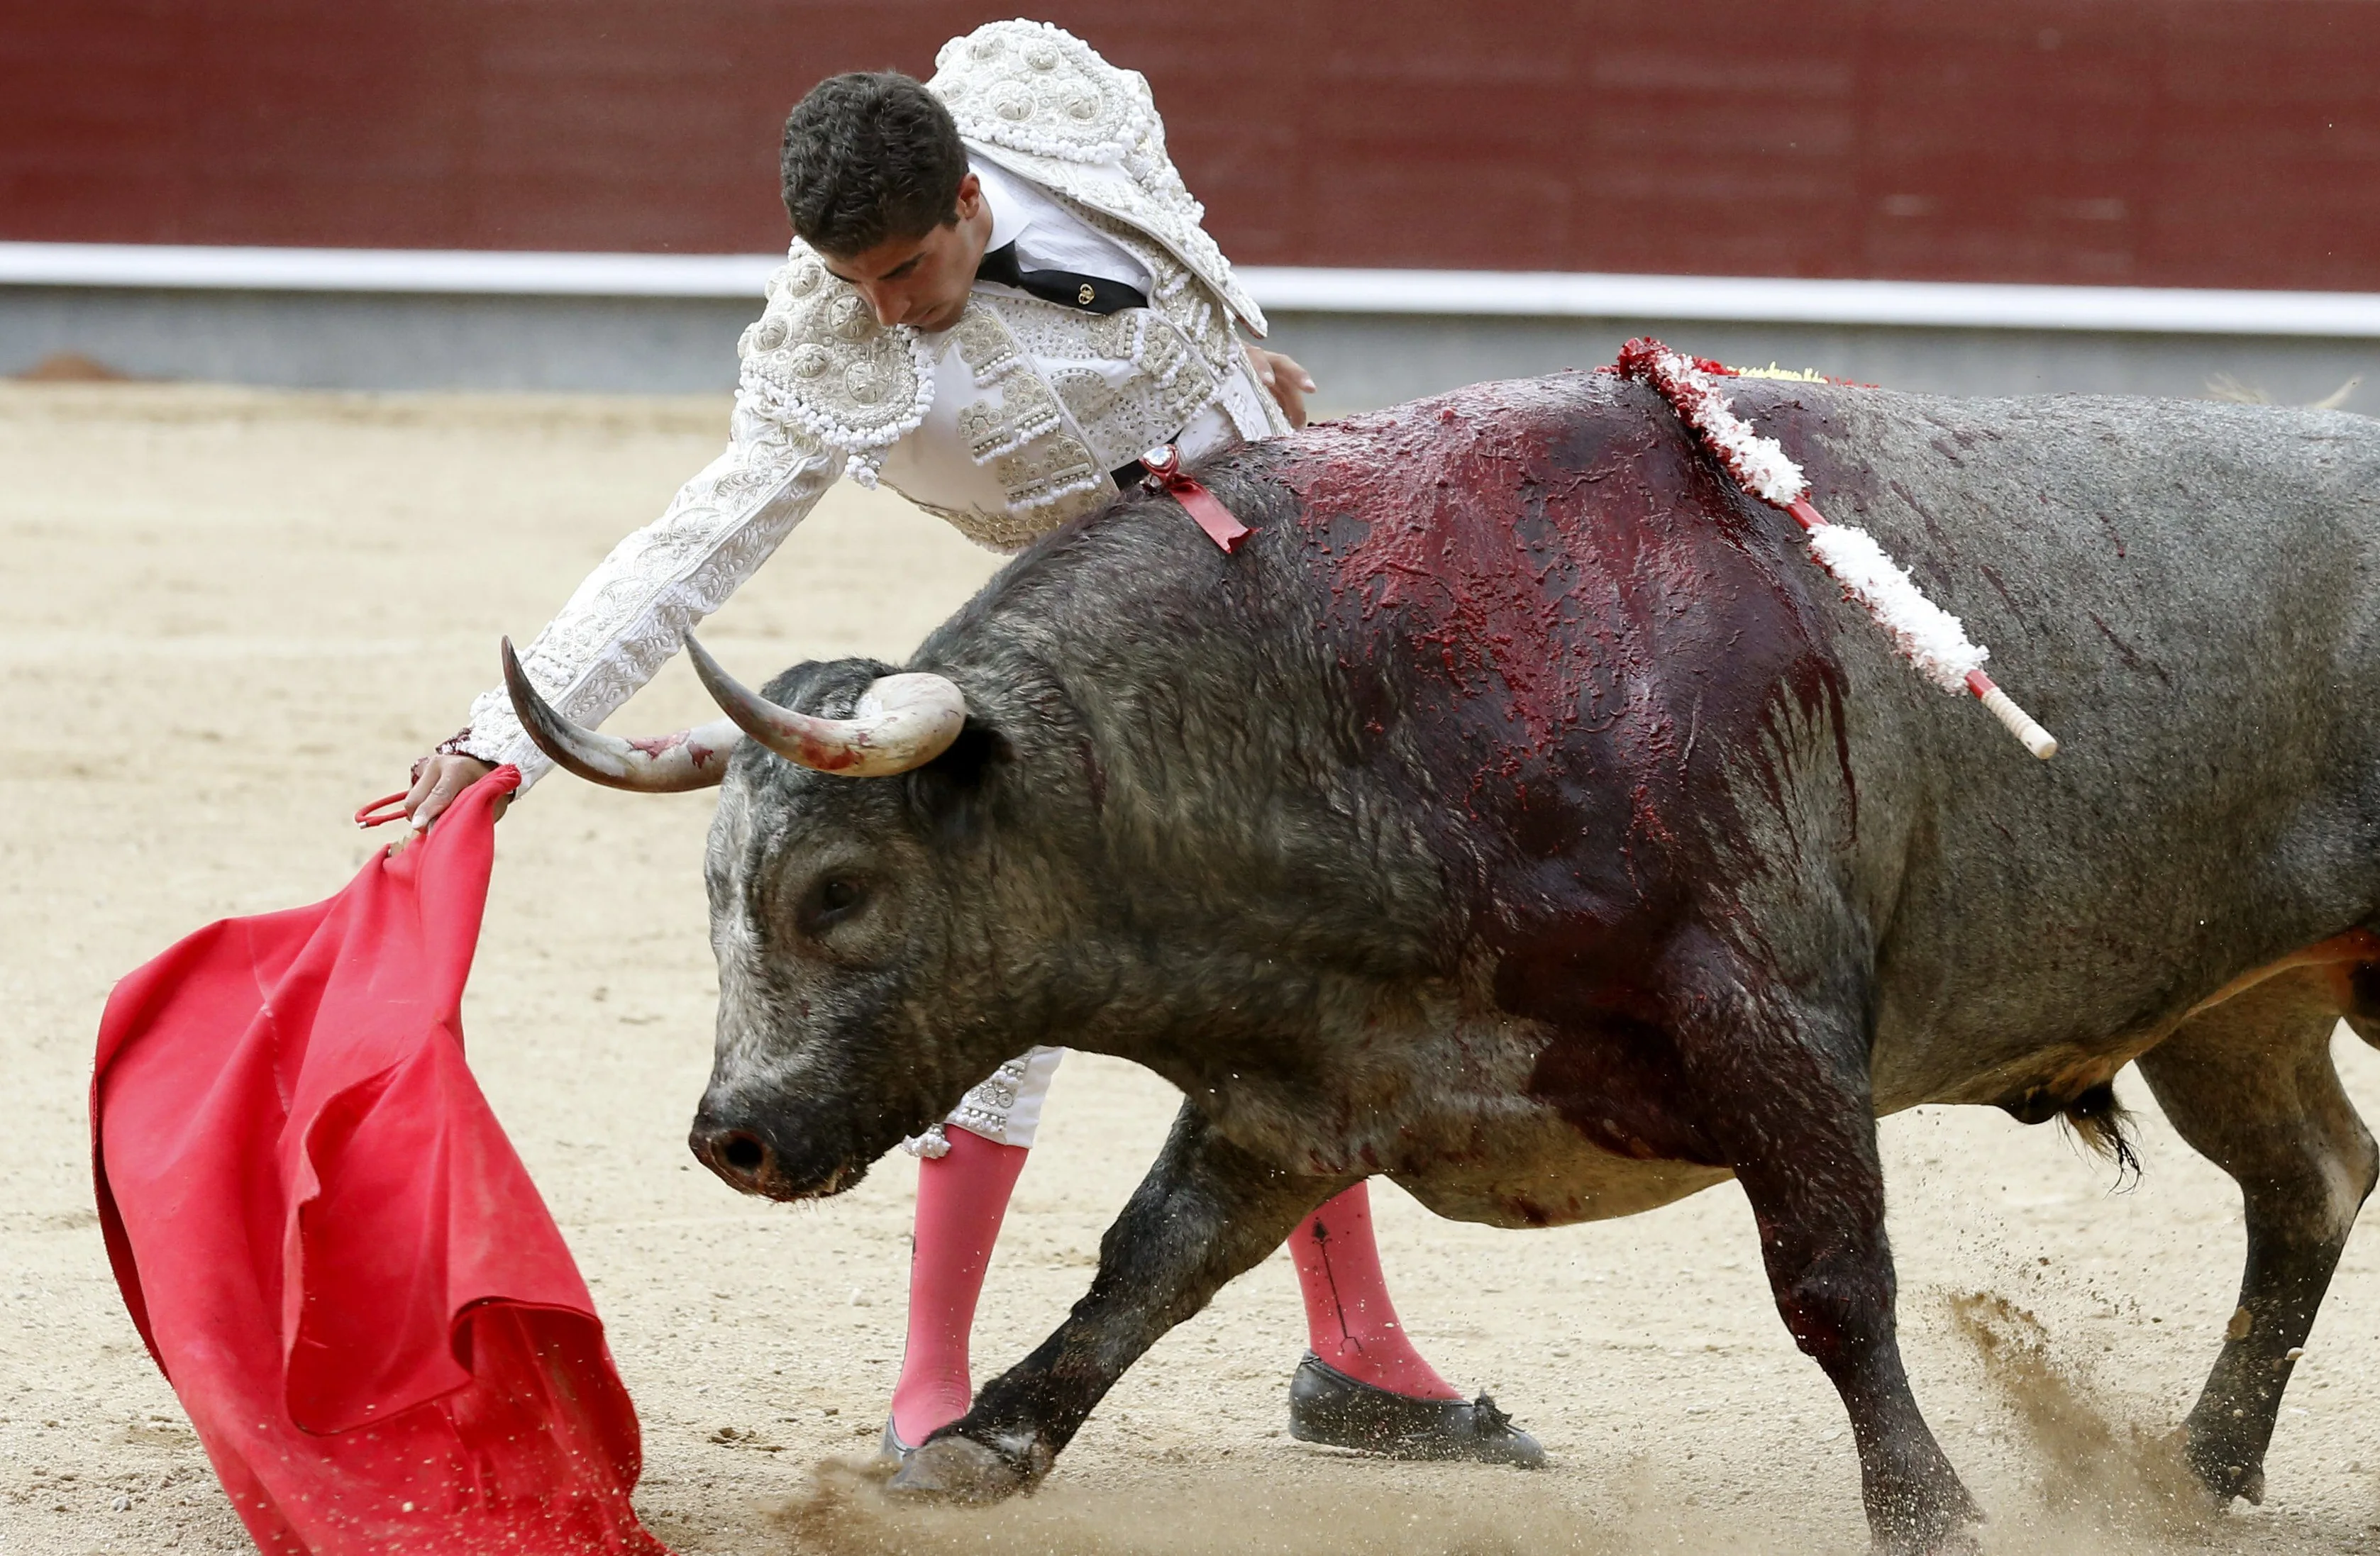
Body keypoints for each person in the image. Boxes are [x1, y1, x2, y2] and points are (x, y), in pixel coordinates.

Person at [389, 21, 1542, 1484]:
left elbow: (1172, 239)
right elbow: (692, 544)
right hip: (1079, 669)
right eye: (851, 281)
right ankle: (930, 1378)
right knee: (1002, 977)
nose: (882, 311)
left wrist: (1231, 367)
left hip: (1288, 620)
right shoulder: (828, 353)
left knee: (1305, 967)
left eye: (905, 273)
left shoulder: (1043, 105)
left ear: (971, 202)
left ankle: (1358, 1348)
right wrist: (505, 739)